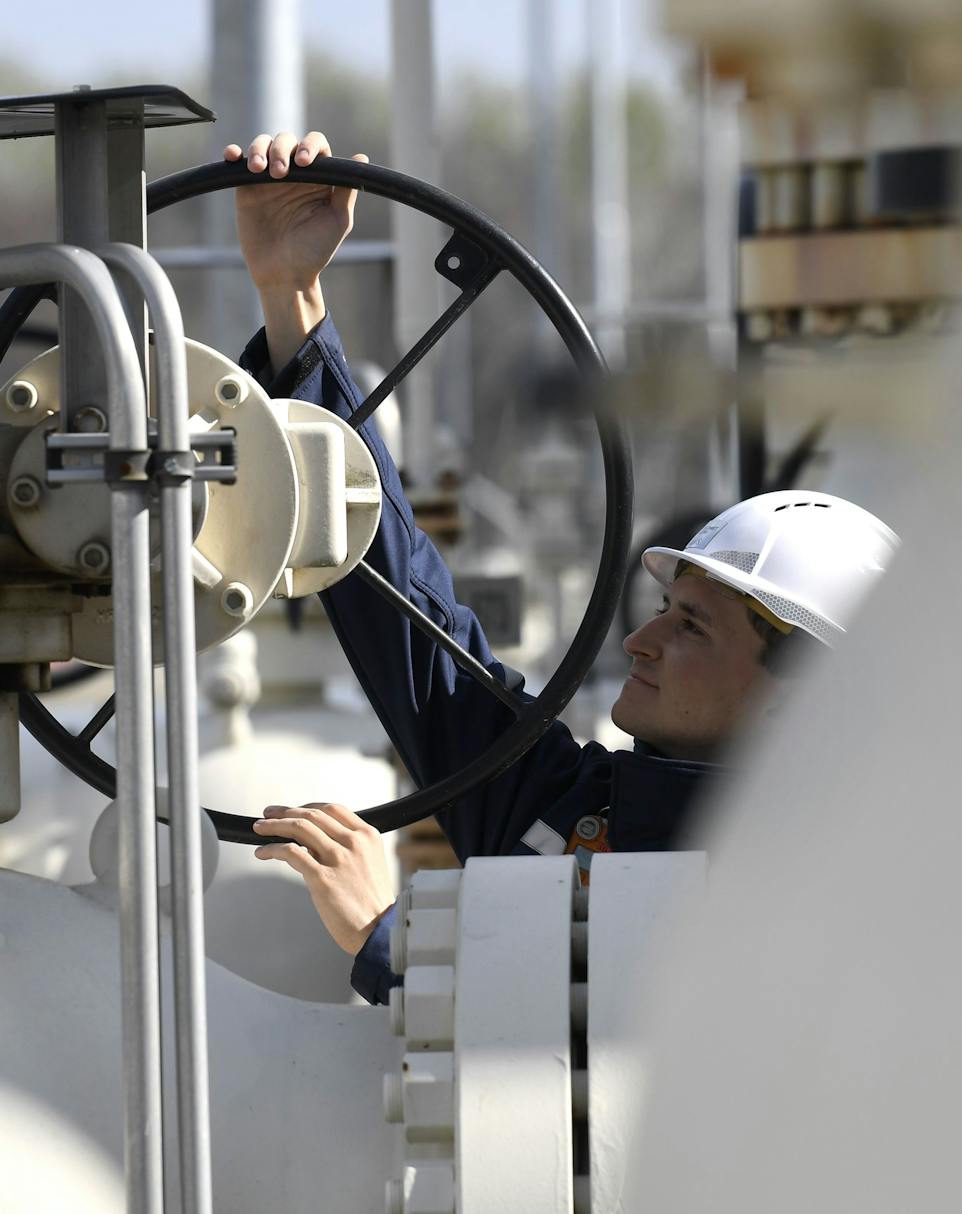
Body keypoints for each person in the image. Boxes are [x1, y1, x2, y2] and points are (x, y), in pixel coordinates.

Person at [223, 130, 899, 1005]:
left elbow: (603, 1077)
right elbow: (409, 614)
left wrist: (392, 938)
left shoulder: (804, 909)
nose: (642, 638)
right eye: (667, 605)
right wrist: (293, 296)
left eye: (692, 625)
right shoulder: (574, 811)